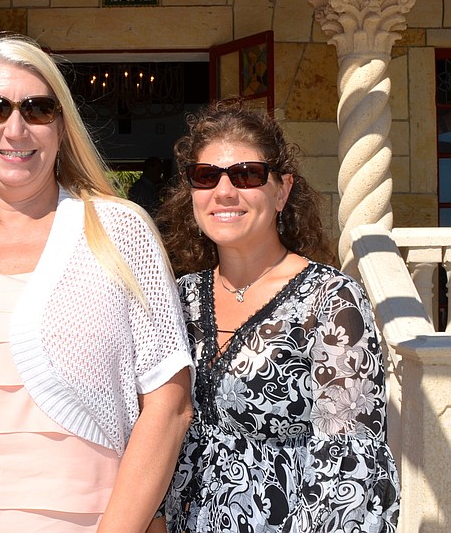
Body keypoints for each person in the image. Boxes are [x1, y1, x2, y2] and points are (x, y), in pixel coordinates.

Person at [0, 35, 194, 532]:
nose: (15, 128)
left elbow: (169, 404)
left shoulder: (119, 231)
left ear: (60, 126)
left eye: (37, 109)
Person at [158, 99, 400, 532]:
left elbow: (350, 467)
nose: (224, 192)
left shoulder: (330, 300)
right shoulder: (180, 299)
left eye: (247, 175)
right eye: (206, 176)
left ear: (282, 190)